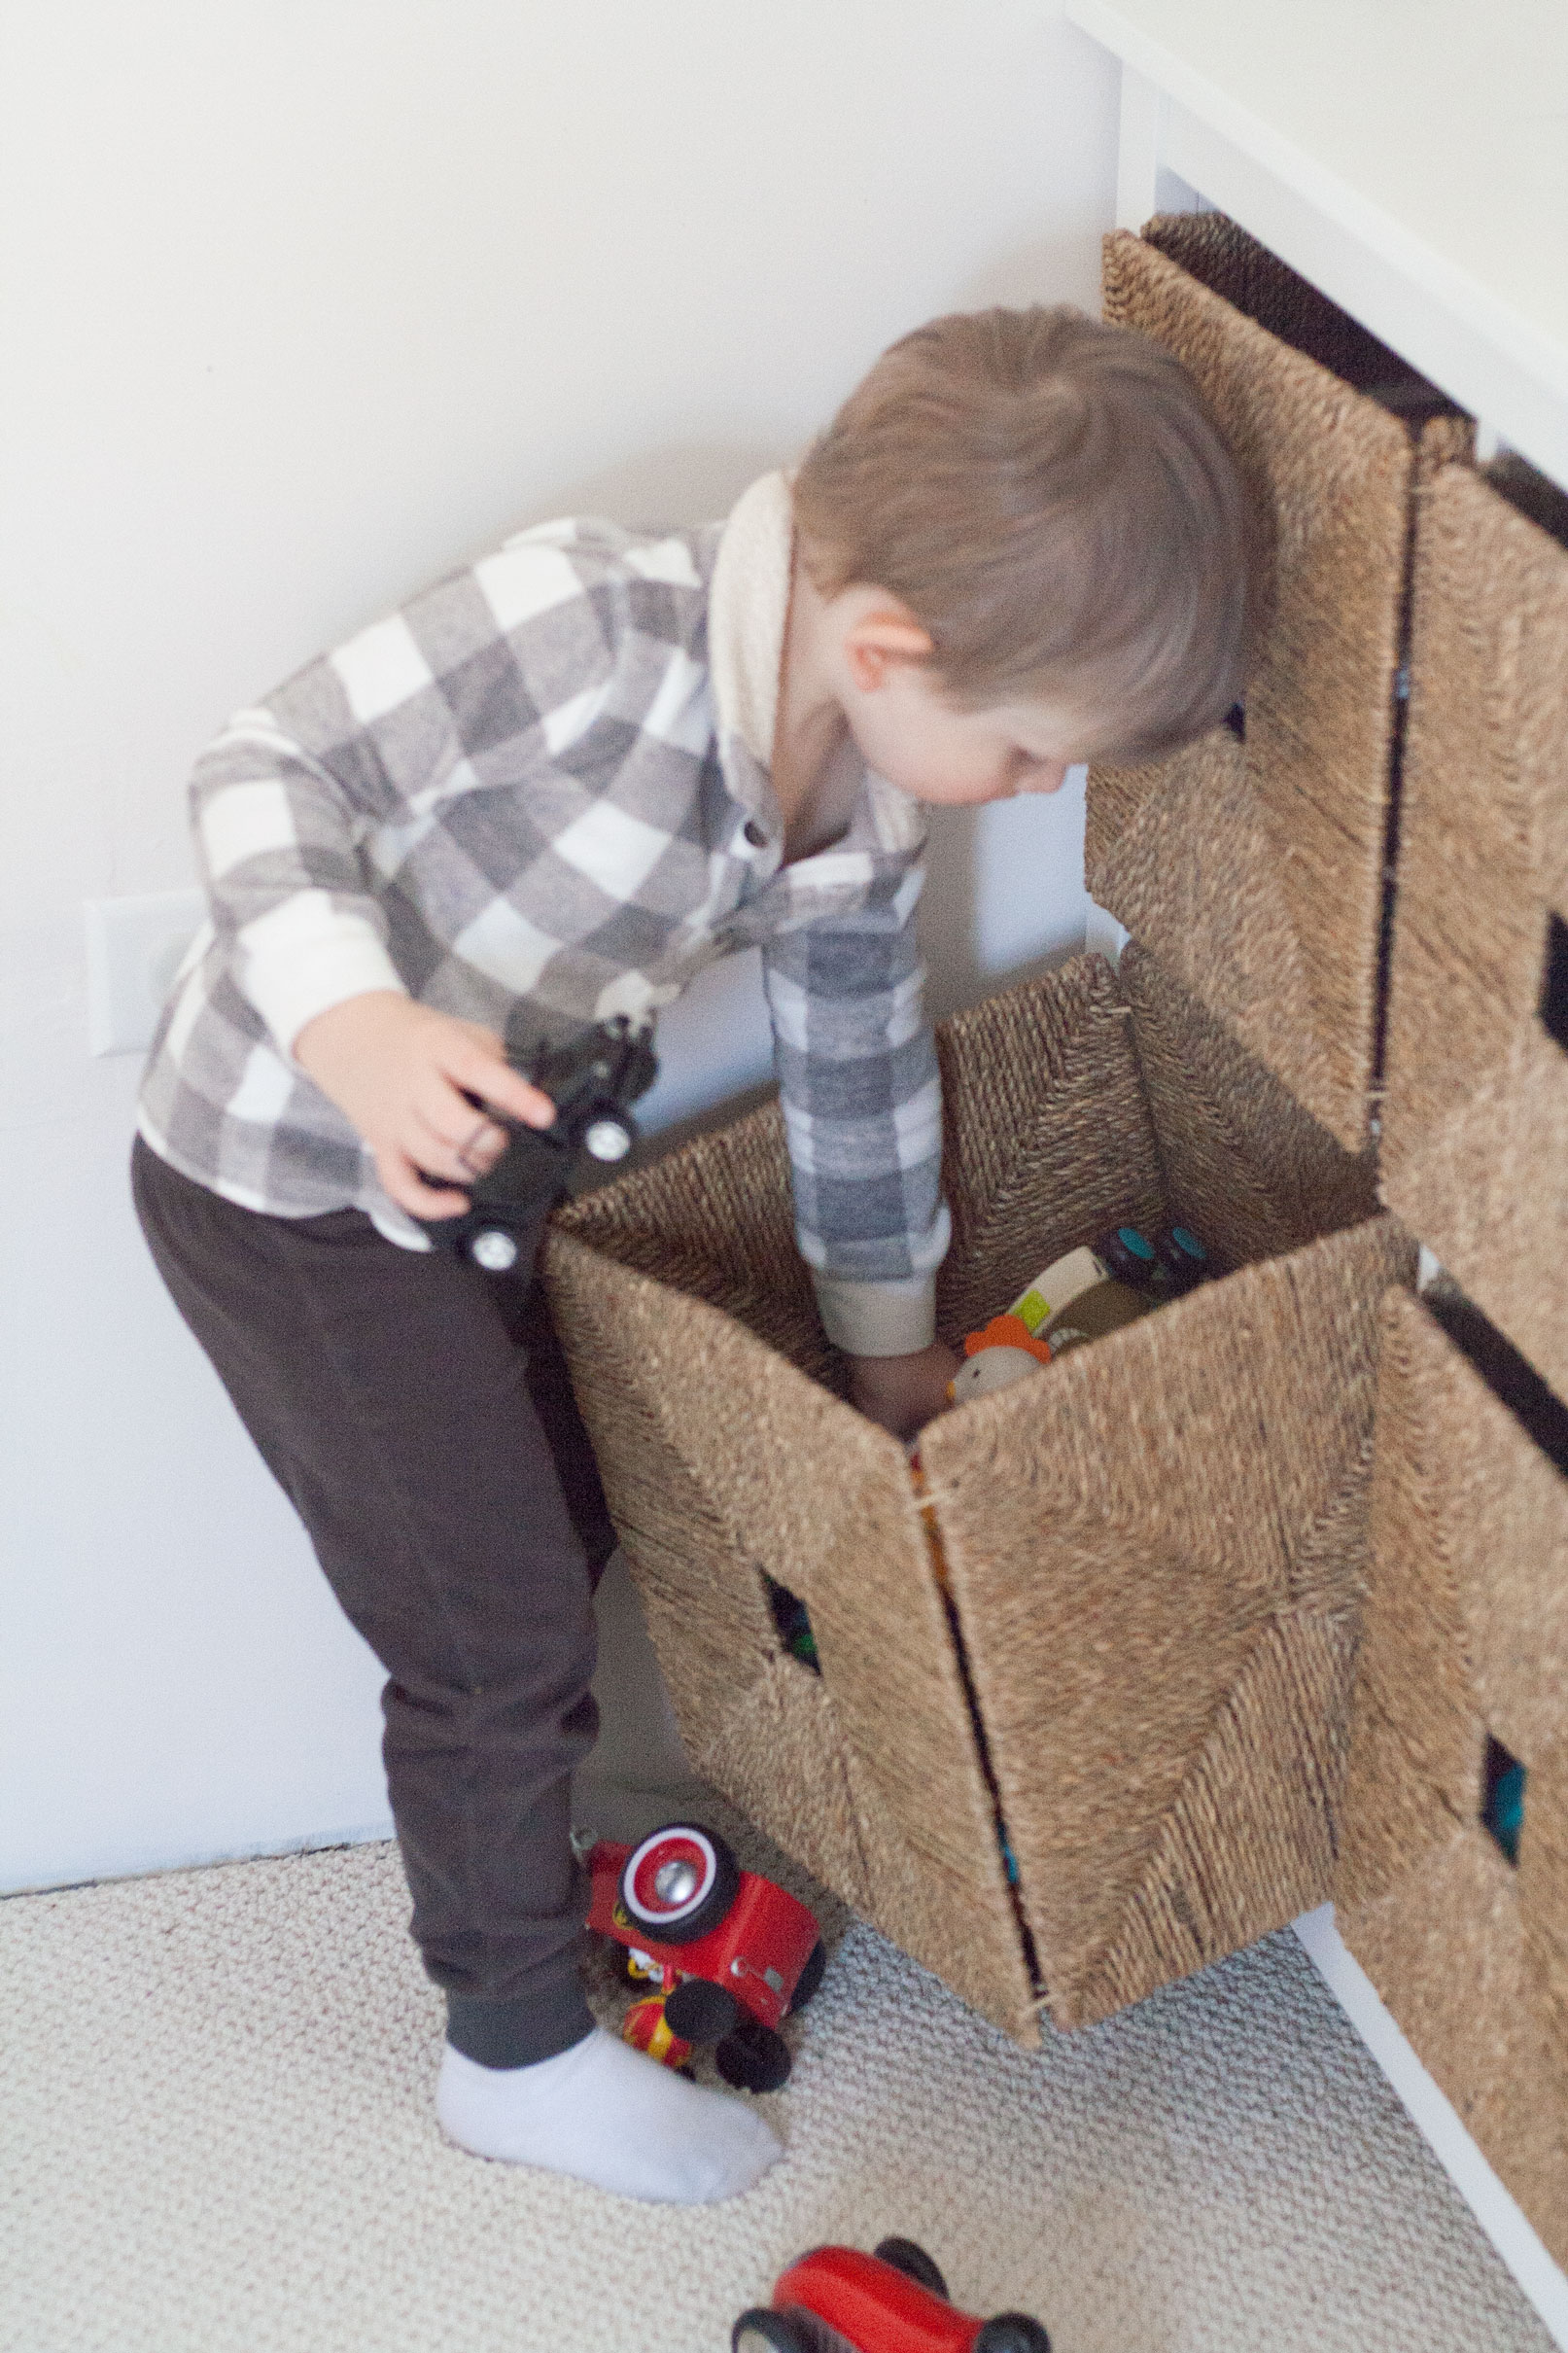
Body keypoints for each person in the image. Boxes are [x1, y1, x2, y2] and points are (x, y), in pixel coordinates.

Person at [132, 304, 1254, 2204]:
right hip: (291, 1178)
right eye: (1028, 752)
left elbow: (857, 1069)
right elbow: (265, 768)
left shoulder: (857, 794)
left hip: (482, 1189)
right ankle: (508, 2045)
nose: (1038, 795)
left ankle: (539, 1852)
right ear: (891, 649)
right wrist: (359, 1028)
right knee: (485, 1630)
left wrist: (888, 1342)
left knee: (566, 1523)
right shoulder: (589, 631)